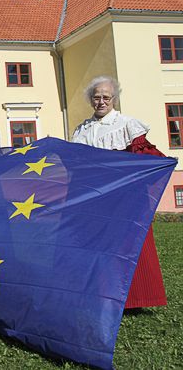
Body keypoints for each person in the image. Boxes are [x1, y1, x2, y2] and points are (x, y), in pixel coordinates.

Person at [72, 76, 167, 309]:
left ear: (114, 98)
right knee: (96, 246)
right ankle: (99, 295)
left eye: (106, 97)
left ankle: (133, 300)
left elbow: (144, 158)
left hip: (124, 198)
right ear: (90, 100)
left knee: (127, 246)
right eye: (96, 97)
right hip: (94, 198)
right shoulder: (81, 130)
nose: (101, 101)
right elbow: (74, 165)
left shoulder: (127, 125)